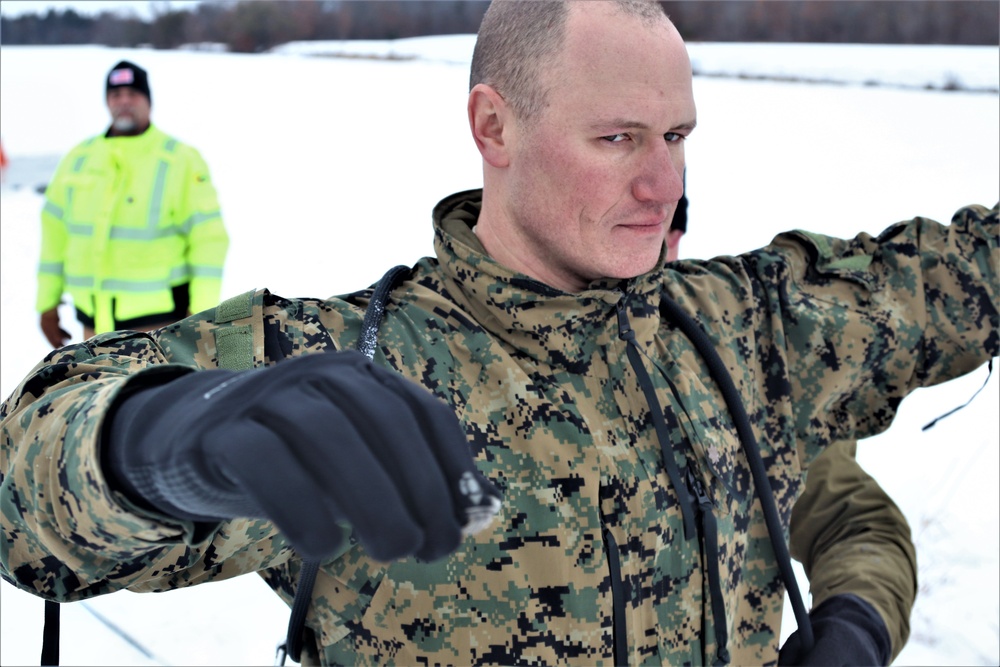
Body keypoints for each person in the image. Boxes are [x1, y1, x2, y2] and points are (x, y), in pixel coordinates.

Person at [1, 1, 994, 665]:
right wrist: (162, 442)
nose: (664, 185)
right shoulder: (369, 359)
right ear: (495, 128)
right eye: (617, 139)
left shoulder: (745, 336)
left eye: (676, 137)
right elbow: (24, 492)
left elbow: (959, 276)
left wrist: (853, 626)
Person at [668, 191, 919, 663]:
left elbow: (855, 524)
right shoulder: (484, 363)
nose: (649, 192)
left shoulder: (735, 362)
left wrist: (854, 628)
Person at [36, 60, 229, 348]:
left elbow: (209, 241)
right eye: (116, 95)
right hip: (92, 328)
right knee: (99, 395)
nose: (124, 101)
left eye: (132, 94)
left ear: (148, 101)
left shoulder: (181, 159)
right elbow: (54, 234)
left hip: (159, 330)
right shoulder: (78, 158)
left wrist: (201, 314)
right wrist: (47, 303)